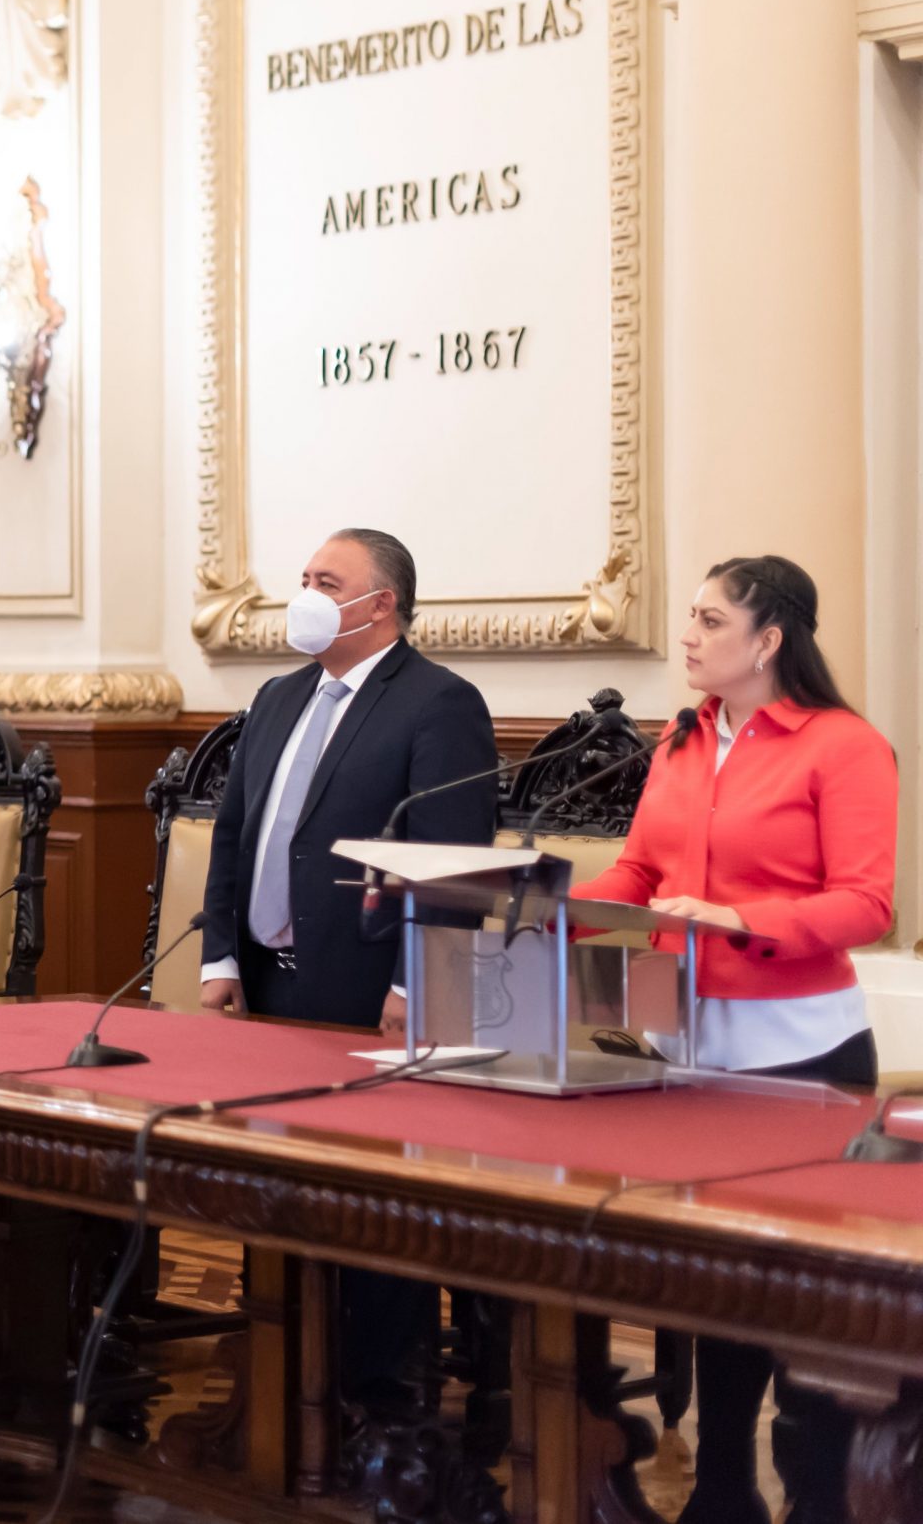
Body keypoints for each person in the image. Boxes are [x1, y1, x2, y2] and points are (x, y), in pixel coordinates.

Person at [575, 555, 894, 1524]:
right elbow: (635, 870)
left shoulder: (843, 745)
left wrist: (733, 916)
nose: (688, 634)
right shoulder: (680, 738)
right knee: (716, 1280)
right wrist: (528, 902)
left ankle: (817, 1493)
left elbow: (864, 901)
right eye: (690, 616)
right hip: (687, 1046)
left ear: (768, 640)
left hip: (800, 1050)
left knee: (793, 1290)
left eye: (711, 620)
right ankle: (719, 1488)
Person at [194, 527, 500, 1414]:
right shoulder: (279, 695)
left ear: (381, 604)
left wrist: (415, 980)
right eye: (303, 578)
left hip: (371, 992)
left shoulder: (440, 703)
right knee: (279, 1180)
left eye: (326, 580)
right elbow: (235, 833)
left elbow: (453, 856)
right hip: (269, 982)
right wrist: (222, 957)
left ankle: (379, 1390)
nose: (306, 593)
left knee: (371, 1194)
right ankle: (288, 1362)